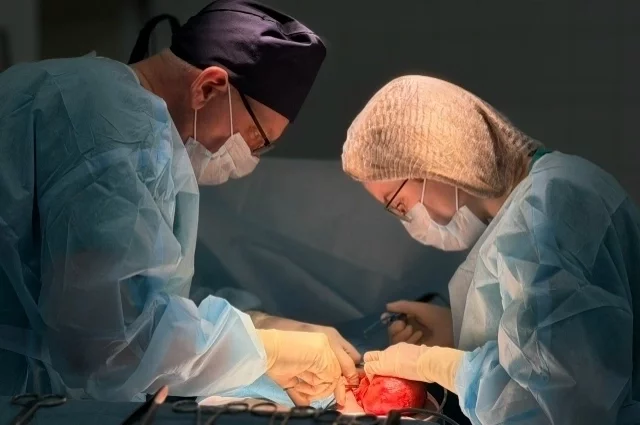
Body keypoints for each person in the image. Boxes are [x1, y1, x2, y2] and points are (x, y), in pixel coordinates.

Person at [0, 0, 358, 404]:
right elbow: (104, 343)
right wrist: (264, 350)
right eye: (255, 140)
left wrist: (255, 324)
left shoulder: (94, 103)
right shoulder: (111, 136)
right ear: (208, 88)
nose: (248, 159)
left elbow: (131, 294)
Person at [341, 75, 640, 424]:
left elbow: (554, 401)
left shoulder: (548, 208)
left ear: (432, 161)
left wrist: (437, 364)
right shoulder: (539, 200)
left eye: (398, 204)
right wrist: (457, 334)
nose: (408, 219)